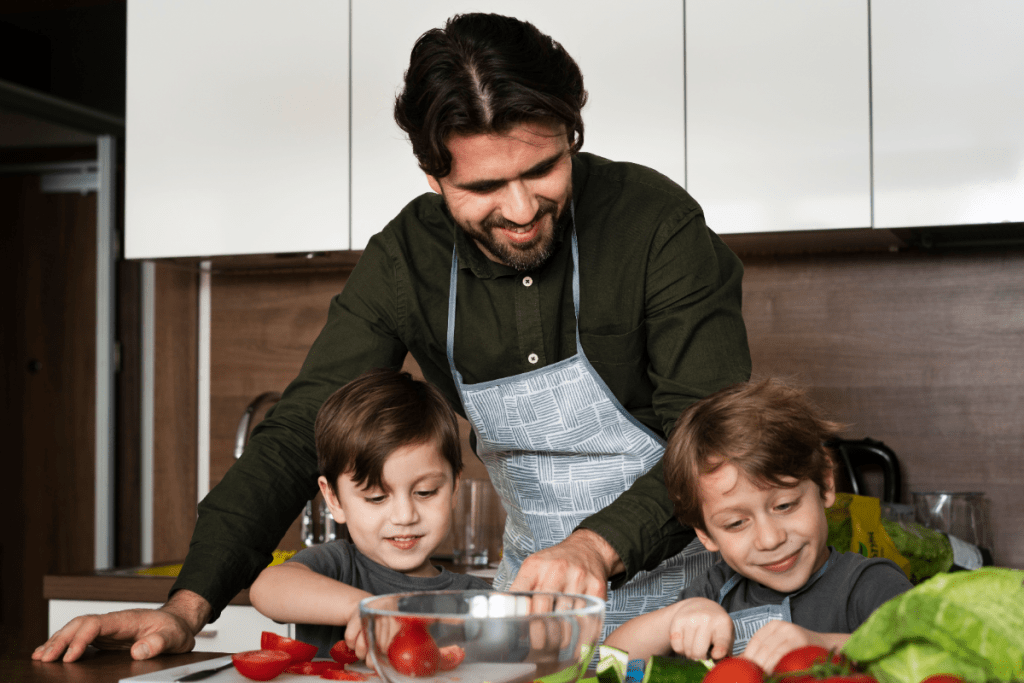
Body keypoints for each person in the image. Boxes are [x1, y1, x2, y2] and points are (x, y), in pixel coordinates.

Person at [34, 12, 751, 662]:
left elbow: (712, 439)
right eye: (484, 187)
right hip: (531, 620)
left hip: (696, 611)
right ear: (433, 175)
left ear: (572, 132)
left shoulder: (657, 226)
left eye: (543, 169)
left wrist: (595, 545)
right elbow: (298, 432)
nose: (521, 208)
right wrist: (186, 608)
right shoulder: (408, 260)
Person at [604, 379, 912, 672]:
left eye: (785, 506)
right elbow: (612, 662)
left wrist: (824, 646)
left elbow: (927, 655)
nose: (770, 539)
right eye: (736, 523)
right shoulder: (713, 591)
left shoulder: (870, 584)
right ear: (705, 533)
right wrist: (673, 618)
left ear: (826, 484)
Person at [248, 368, 490, 658]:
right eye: (377, 497)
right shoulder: (338, 566)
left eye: (425, 492)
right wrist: (361, 607)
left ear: (454, 489)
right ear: (334, 499)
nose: (405, 516)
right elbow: (266, 588)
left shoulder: (476, 598)